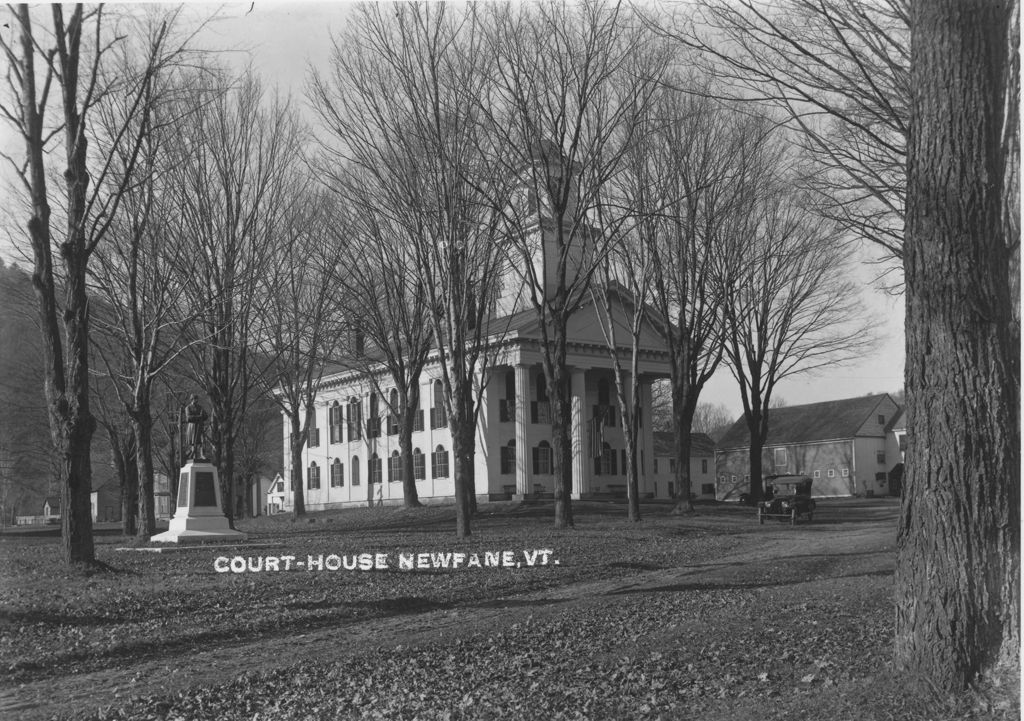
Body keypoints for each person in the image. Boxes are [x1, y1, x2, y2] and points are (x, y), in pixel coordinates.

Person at [184, 395, 209, 461]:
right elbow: (188, 418)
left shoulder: (200, 407)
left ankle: (202, 454)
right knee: (193, 442)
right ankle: (192, 454)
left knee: (202, 440)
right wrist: (198, 417)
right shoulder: (188, 407)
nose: (196, 400)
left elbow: (206, 416)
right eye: (195, 399)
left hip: (200, 426)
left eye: (197, 399)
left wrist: (203, 416)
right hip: (192, 427)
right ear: (192, 399)